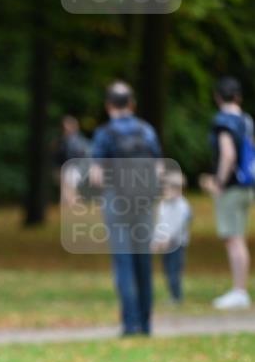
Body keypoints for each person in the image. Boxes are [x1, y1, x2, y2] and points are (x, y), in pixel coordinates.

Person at [89, 81, 162, 336]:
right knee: (144, 262)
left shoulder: (104, 134)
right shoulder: (147, 131)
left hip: (117, 203)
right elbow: (158, 168)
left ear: (108, 105)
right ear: (132, 104)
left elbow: (97, 176)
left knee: (123, 263)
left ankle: (129, 325)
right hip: (143, 203)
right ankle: (146, 324)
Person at [199, 76, 253, 309]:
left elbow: (228, 154)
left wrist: (219, 182)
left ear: (218, 97)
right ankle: (240, 289)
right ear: (238, 97)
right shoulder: (246, 120)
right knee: (239, 237)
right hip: (248, 185)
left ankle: (239, 291)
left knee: (234, 239)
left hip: (232, 186)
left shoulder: (223, 121)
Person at [151, 171, 192, 303]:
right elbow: (160, 223)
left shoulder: (183, 206)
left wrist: (169, 238)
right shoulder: (163, 205)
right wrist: (156, 240)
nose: (166, 192)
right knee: (167, 270)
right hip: (164, 244)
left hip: (177, 244)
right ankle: (172, 295)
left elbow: (178, 225)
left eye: (169, 189)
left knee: (174, 271)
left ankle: (177, 296)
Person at [54, 115, 91, 206]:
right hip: (64, 168)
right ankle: (70, 207)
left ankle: (75, 206)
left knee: (68, 187)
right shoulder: (63, 140)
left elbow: (85, 156)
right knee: (66, 189)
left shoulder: (79, 141)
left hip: (74, 167)